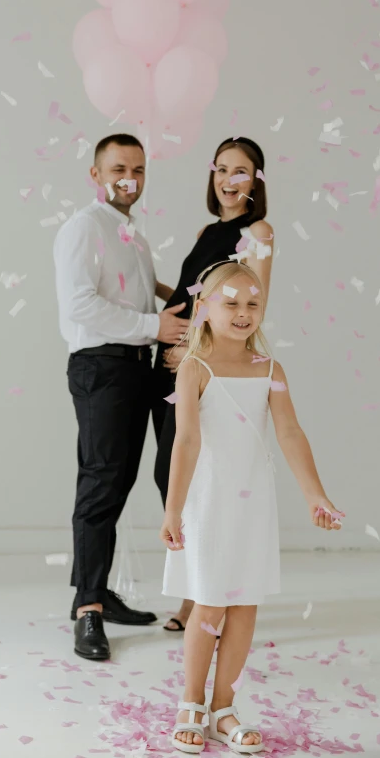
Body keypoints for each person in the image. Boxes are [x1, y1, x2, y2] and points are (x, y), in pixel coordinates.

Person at [159, 261, 344, 753]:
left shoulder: (270, 370)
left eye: (253, 304)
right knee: (211, 600)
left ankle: (223, 707)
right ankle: (190, 703)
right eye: (231, 302)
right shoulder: (195, 369)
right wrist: (173, 509)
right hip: (211, 501)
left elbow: (289, 431)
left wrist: (314, 494)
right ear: (205, 309)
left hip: (253, 503)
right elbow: (186, 442)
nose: (243, 313)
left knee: (244, 604)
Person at [53, 133, 187, 662]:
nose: (128, 178)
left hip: (133, 367)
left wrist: (190, 300)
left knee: (119, 480)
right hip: (102, 367)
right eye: (117, 169)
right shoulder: (85, 228)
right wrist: (156, 327)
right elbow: (82, 304)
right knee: (102, 482)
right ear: (96, 174)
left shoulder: (129, 232)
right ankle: (87, 609)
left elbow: (141, 289)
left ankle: (98, 591)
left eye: (137, 168)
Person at [152, 137, 274, 633]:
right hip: (175, 363)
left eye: (240, 171)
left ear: (256, 179)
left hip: (206, 368)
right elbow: (193, 292)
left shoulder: (258, 230)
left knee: (206, 480)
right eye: (221, 169)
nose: (228, 179)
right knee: (172, 475)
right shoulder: (208, 229)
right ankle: (198, 586)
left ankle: (200, 597)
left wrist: (196, 352)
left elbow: (253, 299)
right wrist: (151, 291)